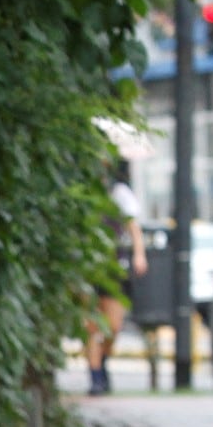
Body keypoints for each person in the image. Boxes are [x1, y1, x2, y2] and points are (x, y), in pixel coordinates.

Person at [85, 163, 147, 395]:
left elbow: (133, 226)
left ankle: (102, 361)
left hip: (114, 266)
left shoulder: (119, 193)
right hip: (88, 267)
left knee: (113, 326)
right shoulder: (83, 191)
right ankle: (95, 378)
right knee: (92, 326)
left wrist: (139, 255)